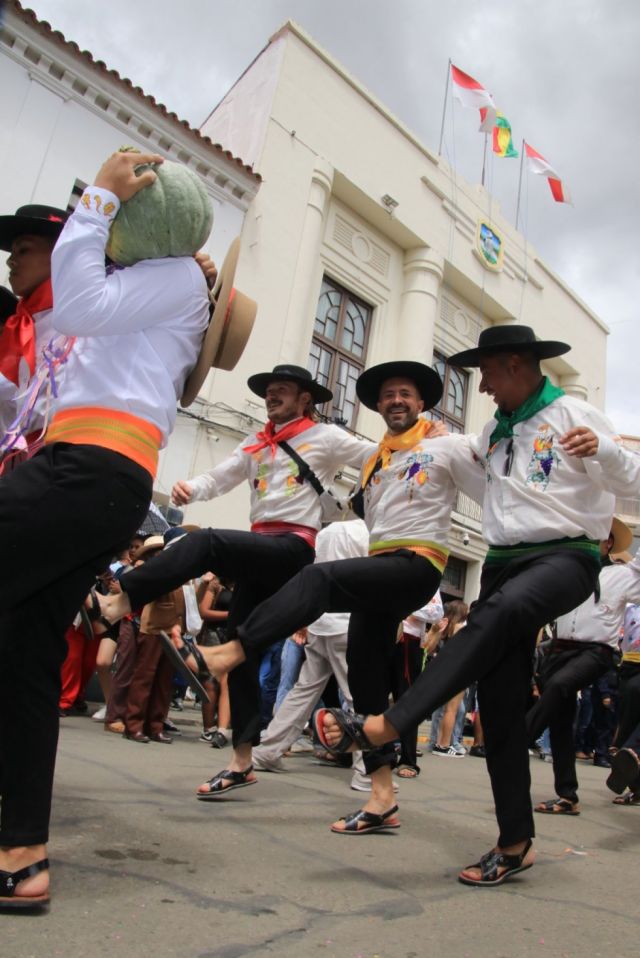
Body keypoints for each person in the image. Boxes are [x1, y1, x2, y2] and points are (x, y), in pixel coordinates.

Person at [317, 324, 640, 885]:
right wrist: (422, 441)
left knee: (502, 612)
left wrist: (607, 453)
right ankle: (514, 842)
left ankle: (390, 723)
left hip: (566, 555)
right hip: (502, 562)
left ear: (514, 364)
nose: (482, 386)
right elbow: (460, 471)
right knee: (498, 701)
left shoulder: (574, 416)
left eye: (486, 372)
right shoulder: (492, 431)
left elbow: (634, 488)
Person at [0, 149, 210, 909]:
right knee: (23, 653)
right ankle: (21, 855)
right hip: (85, 471)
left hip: (92, 471)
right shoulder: (137, 288)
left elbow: (79, 304)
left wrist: (97, 203)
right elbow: (41, 381)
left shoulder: (178, 277)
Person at [159, 360, 480, 831]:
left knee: (318, 579)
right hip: (381, 568)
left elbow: (489, 473)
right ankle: (382, 799)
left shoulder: (444, 444)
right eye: (388, 394)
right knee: (369, 689)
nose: (396, 400)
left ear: (422, 403)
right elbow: (352, 509)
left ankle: (230, 652)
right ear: (378, 405)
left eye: (405, 394)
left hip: (416, 563)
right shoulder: (376, 460)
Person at [97, 363, 377, 798]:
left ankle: (123, 598)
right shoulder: (254, 442)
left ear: (305, 400)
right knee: (242, 652)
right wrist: (192, 487)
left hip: (293, 546)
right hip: (259, 549)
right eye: (269, 391)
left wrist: (407, 454)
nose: (272, 396)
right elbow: (220, 476)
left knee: (206, 543)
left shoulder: (323, 438)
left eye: (282, 390)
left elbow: (373, 455)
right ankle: (241, 761)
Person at [527, 519, 639, 814]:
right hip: (559, 650)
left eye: (596, 536)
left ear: (609, 543)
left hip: (596, 650)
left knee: (561, 685)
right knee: (562, 723)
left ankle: (521, 736)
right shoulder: (570, 573)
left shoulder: (622, 574)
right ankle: (568, 796)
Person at [0, 204, 68, 467]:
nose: (10, 260)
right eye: (12, 251)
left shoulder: (81, 324)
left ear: (59, 255)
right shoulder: (21, 327)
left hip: (56, 463)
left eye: (24, 250)